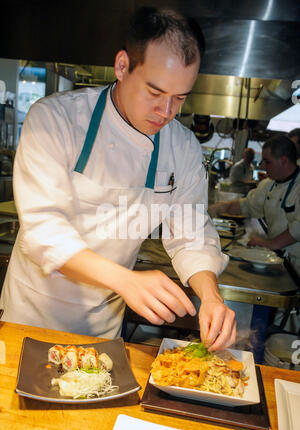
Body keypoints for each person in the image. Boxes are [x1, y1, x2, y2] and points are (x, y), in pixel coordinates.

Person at [0, 7, 236, 351]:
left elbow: (191, 234)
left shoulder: (181, 148)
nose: (166, 112)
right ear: (122, 66)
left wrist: (211, 296)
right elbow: (45, 232)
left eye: (180, 98)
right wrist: (125, 280)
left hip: (102, 329)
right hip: (30, 317)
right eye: (155, 93)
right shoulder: (56, 119)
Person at [209, 135, 300, 276]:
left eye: (267, 161)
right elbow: (248, 205)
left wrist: (271, 244)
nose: (262, 166)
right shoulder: (269, 184)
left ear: (283, 161)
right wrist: (221, 207)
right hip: (279, 261)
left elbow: (298, 228)